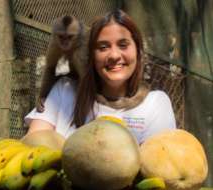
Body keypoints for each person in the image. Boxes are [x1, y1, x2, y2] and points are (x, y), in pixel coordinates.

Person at [25, 9, 176, 144]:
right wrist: (44, 94)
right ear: (93, 54)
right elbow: (31, 149)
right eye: (103, 47)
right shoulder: (63, 90)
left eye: (123, 45)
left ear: (138, 50)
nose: (114, 55)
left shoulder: (155, 103)